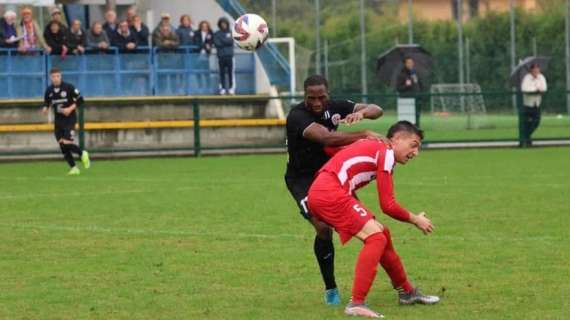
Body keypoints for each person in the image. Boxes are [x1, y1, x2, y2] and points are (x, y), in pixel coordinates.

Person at [307, 121, 440, 318]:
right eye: (413, 145)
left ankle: (407, 292)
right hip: (330, 193)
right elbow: (388, 205)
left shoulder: (376, 147)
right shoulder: (386, 152)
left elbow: (330, 147)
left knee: (381, 233)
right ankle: (356, 303)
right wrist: (415, 219)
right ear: (395, 139)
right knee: (376, 238)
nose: (415, 152)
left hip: (325, 192)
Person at [285, 75, 384, 305]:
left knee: (370, 228)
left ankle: (400, 284)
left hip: (333, 176)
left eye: (321, 97)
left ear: (328, 94)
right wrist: (364, 133)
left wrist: (363, 112)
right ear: (304, 96)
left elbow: (377, 109)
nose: (317, 103)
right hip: (304, 180)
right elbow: (326, 138)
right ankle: (331, 288)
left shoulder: (336, 106)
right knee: (323, 228)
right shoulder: (297, 116)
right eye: (312, 98)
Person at [42, 68, 90, 176]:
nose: (56, 78)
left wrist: (70, 109)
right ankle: (74, 168)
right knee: (62, 146)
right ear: (50, 77)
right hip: (58, 121)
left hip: (69, 120)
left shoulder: (69, 87)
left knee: (67, 143)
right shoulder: (49, 90)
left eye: (58, 76)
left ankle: (82, 153)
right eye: (53, 76)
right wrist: (45, 108)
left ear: (61, 76)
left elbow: (81, 100)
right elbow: (47, 102)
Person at [520, 63, 547, 147]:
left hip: (537, 103)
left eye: (537, 69)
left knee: (536, 122)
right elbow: (524, 88)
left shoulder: (541, 77)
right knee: (527, 123)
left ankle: (526, 138)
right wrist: (535, 89)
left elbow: (544, 88)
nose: (536, 70)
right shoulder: (527, 78)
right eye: (534, 69)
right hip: (528, 104)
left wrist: (538, 89)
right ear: (531, 70)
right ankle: (527, 141)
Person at [214, 17, 234, 95]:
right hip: (221, 56)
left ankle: (231, 88)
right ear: (220, 24)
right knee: (221, 72)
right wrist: (226, 41)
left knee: (230, 72)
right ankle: (222, 88)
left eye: (225, 23)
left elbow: (231, 42)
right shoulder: (217, 33)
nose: (223, 25)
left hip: (229, 55)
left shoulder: (231, 32)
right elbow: (217, 43)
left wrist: (222, 40)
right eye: (222, 23)